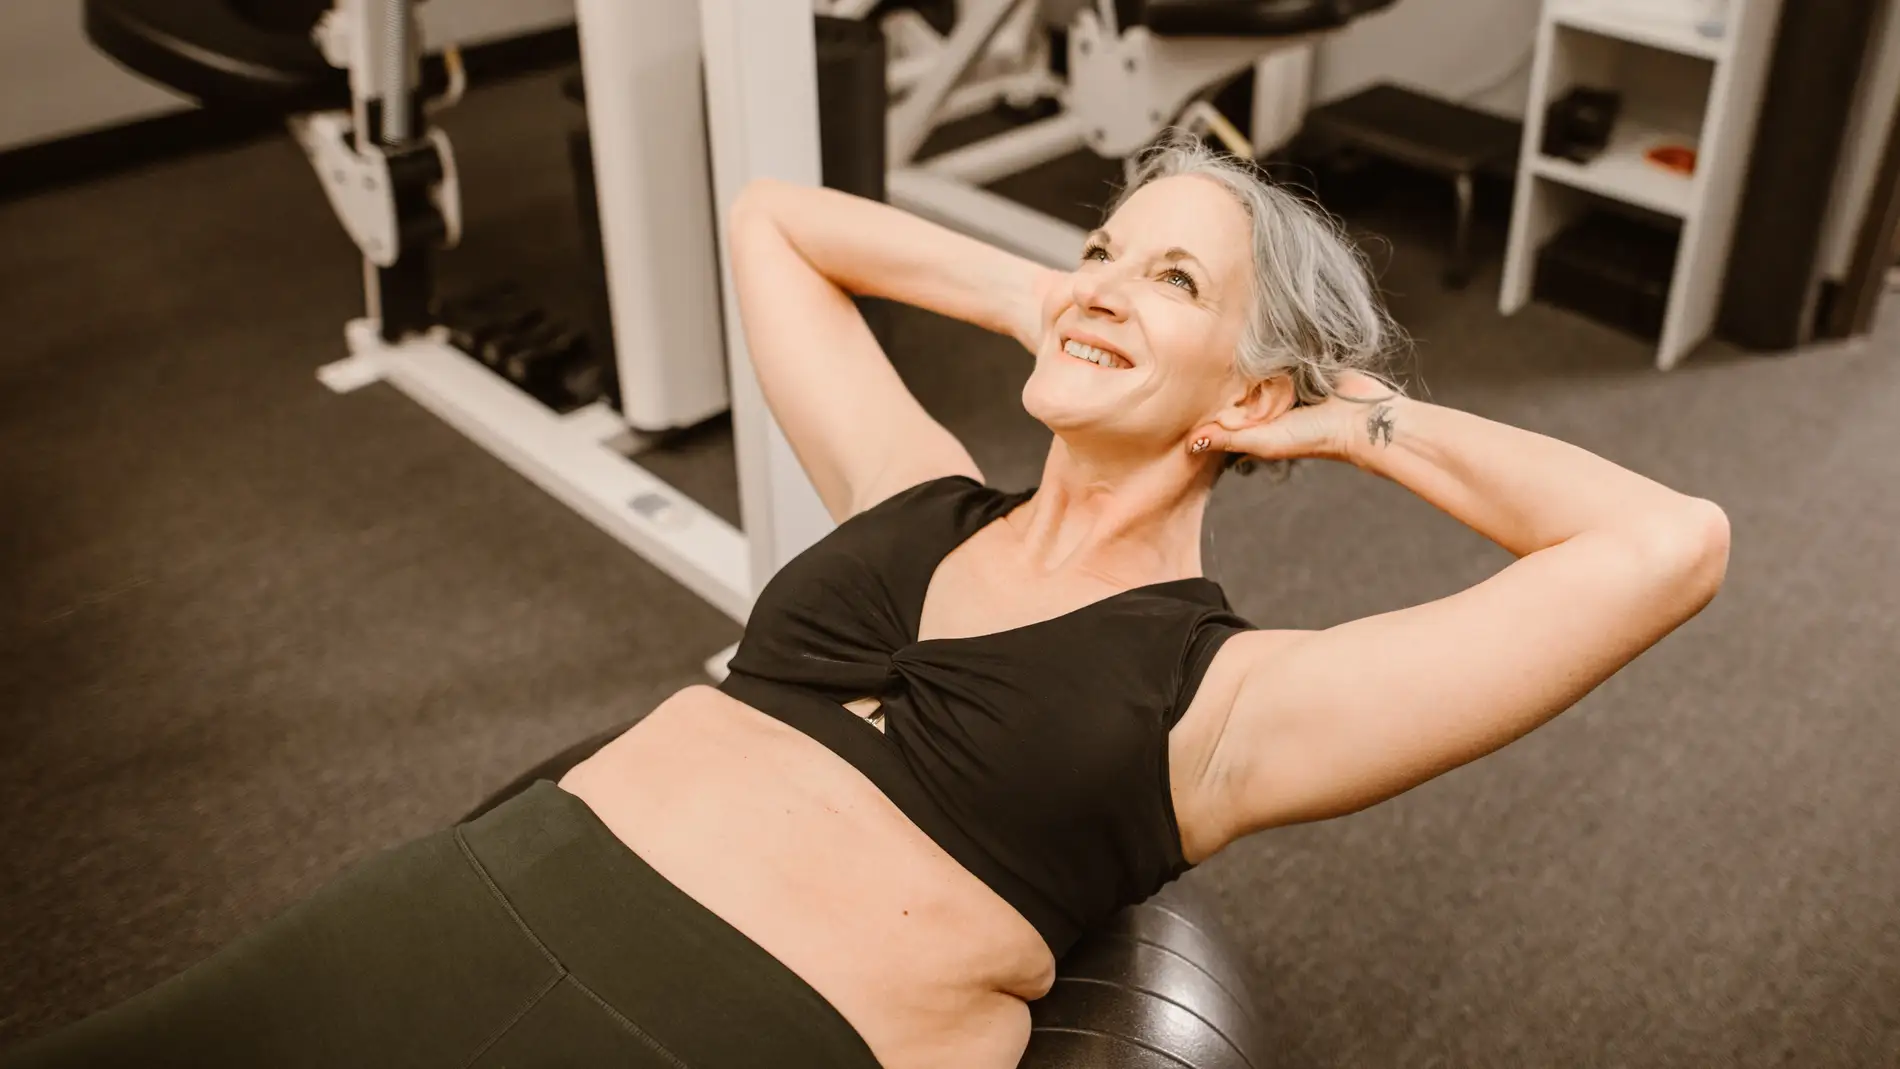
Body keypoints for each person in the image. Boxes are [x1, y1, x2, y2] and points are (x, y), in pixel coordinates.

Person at [2, 133, 1729, 1069]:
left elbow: (1667, 547)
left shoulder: (1233, 705)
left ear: (1257, 401)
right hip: (462, 907)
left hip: (741, 1035)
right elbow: (775, 222)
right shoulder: (910, 494)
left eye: (1171, 274)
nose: (1106, 284)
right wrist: (1089, 303)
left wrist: (1340, 410)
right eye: (1105, 244)